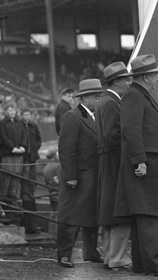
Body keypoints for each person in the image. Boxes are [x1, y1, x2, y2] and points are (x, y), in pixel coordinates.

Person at [114, 54, 158, 277]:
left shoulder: (139, 95)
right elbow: (130, 130)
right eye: (155, 75)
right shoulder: (135, 96)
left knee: (144, 215)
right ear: (146, 76)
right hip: (146, 166)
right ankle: (154, 263)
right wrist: (140, 160)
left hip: (149, 164)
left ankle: (143, 264)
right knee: (148, 214)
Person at [56, 79, 104, 268]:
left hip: (93, 175)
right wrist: (71, 176)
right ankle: (64, 255)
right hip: (77, 177)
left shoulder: (95, 117)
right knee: (70, 216)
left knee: (92, 216)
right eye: (96, 96)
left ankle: (90, 252)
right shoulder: (72, 116)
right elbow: (66, 149)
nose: (99, 99)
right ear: (84, 98)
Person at [95, 62, 133, 272]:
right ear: (117, 81)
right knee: (119, 211)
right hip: (115, 162)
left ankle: (112, 256)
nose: (129, 82)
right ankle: (118, 258)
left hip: (107, 162)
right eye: (126, 79)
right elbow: (113, 136)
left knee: (109, 212)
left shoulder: (105, 101)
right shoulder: (111, 103)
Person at [0, 102, 27, 207]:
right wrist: (13, 147)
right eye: (10, 110)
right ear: (5, 111)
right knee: (7, 176)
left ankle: (14, 197)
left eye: (14, 110)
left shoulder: (19, 123)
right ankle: (5, 198)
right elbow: (3, 136)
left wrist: (22, 146)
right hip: (8, 154)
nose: (13, 112)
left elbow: (24, 135)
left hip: (18, 154)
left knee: (17, 176)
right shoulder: (2, 123)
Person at [20, 108, 42, 234]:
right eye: (25, 114)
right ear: (22, 115)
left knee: (32, 176)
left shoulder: (34, 126)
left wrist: (35, 147)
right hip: (24, 157)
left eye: (28, 114)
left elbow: (39, 139)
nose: (27, 116)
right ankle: (27, 191)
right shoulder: (20, 126)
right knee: (25, 176)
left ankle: (31, 190)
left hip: (32, 156)